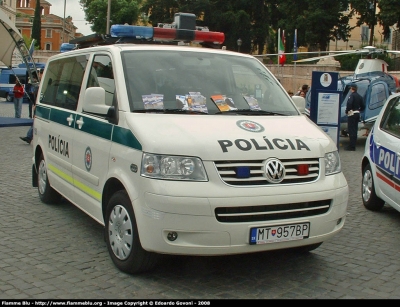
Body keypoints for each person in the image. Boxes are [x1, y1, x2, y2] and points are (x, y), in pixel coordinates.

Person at [20, 69, 43, 144]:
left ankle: (29, 137)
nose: (39, 75)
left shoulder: (43, 83)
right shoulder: (39, 83)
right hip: (37, 104)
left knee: (36, 122)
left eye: (40, 74)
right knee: (35, 122)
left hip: (40, 105)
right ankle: (29, 137)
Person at [345, 83, 365, 151]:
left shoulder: (352, 96)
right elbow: (363, 106)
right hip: (357, 113)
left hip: (352, 114)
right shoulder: (359, 96)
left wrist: (347, 110)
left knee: (351, 130)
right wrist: (359, 110)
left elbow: (349, 103)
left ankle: (352, 146)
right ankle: (353, 144)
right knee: (355, 130)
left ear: (351, 89)